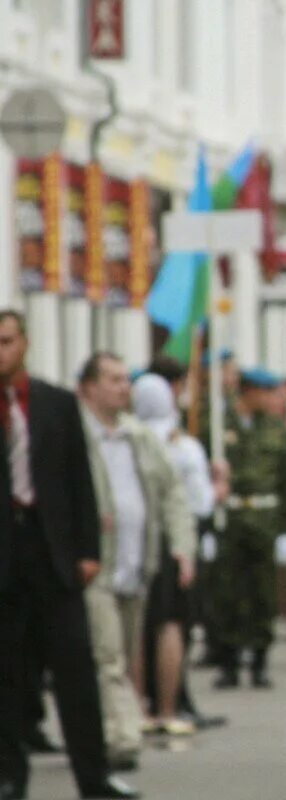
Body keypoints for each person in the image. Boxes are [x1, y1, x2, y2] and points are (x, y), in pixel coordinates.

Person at [0, 310, 138, 800]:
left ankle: (94, 777)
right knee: (10, 678)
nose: (2, 352)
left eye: (7, 341)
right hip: (5, 560)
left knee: (77, 671)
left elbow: (80, 481)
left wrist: (88, 551)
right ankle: (10, 776)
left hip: (54, 556)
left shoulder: (55, 404)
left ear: (25, 343)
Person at [77, 353, 196, 770]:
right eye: (113, 379)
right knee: (108, 655)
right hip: (95, 564)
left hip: (136, 562)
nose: (123, 387)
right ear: (88, 387)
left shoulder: (138, 436)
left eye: (126, 379)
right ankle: (120, 737)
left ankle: (110, 727)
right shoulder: (75, 435)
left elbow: (172, 494)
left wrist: (182, 545)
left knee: (125, 653)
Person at [131, 372, 214, 736]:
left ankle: (136, 709)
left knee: (135, 628)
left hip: (132, 541)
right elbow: (200, 500)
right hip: (171, 543)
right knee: (171, 625)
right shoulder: (183, 445)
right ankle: (168, 707)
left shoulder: (127, 438)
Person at [209, 367, 286, 689]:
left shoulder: (274, 428)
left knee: (263, 593)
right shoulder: (218, 428)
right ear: (250, 392)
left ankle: (259, 660)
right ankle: (228, 660)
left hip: (264, 519)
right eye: (266, 391)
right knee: (227, 592)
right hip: (230, 518)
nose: (271, 398)